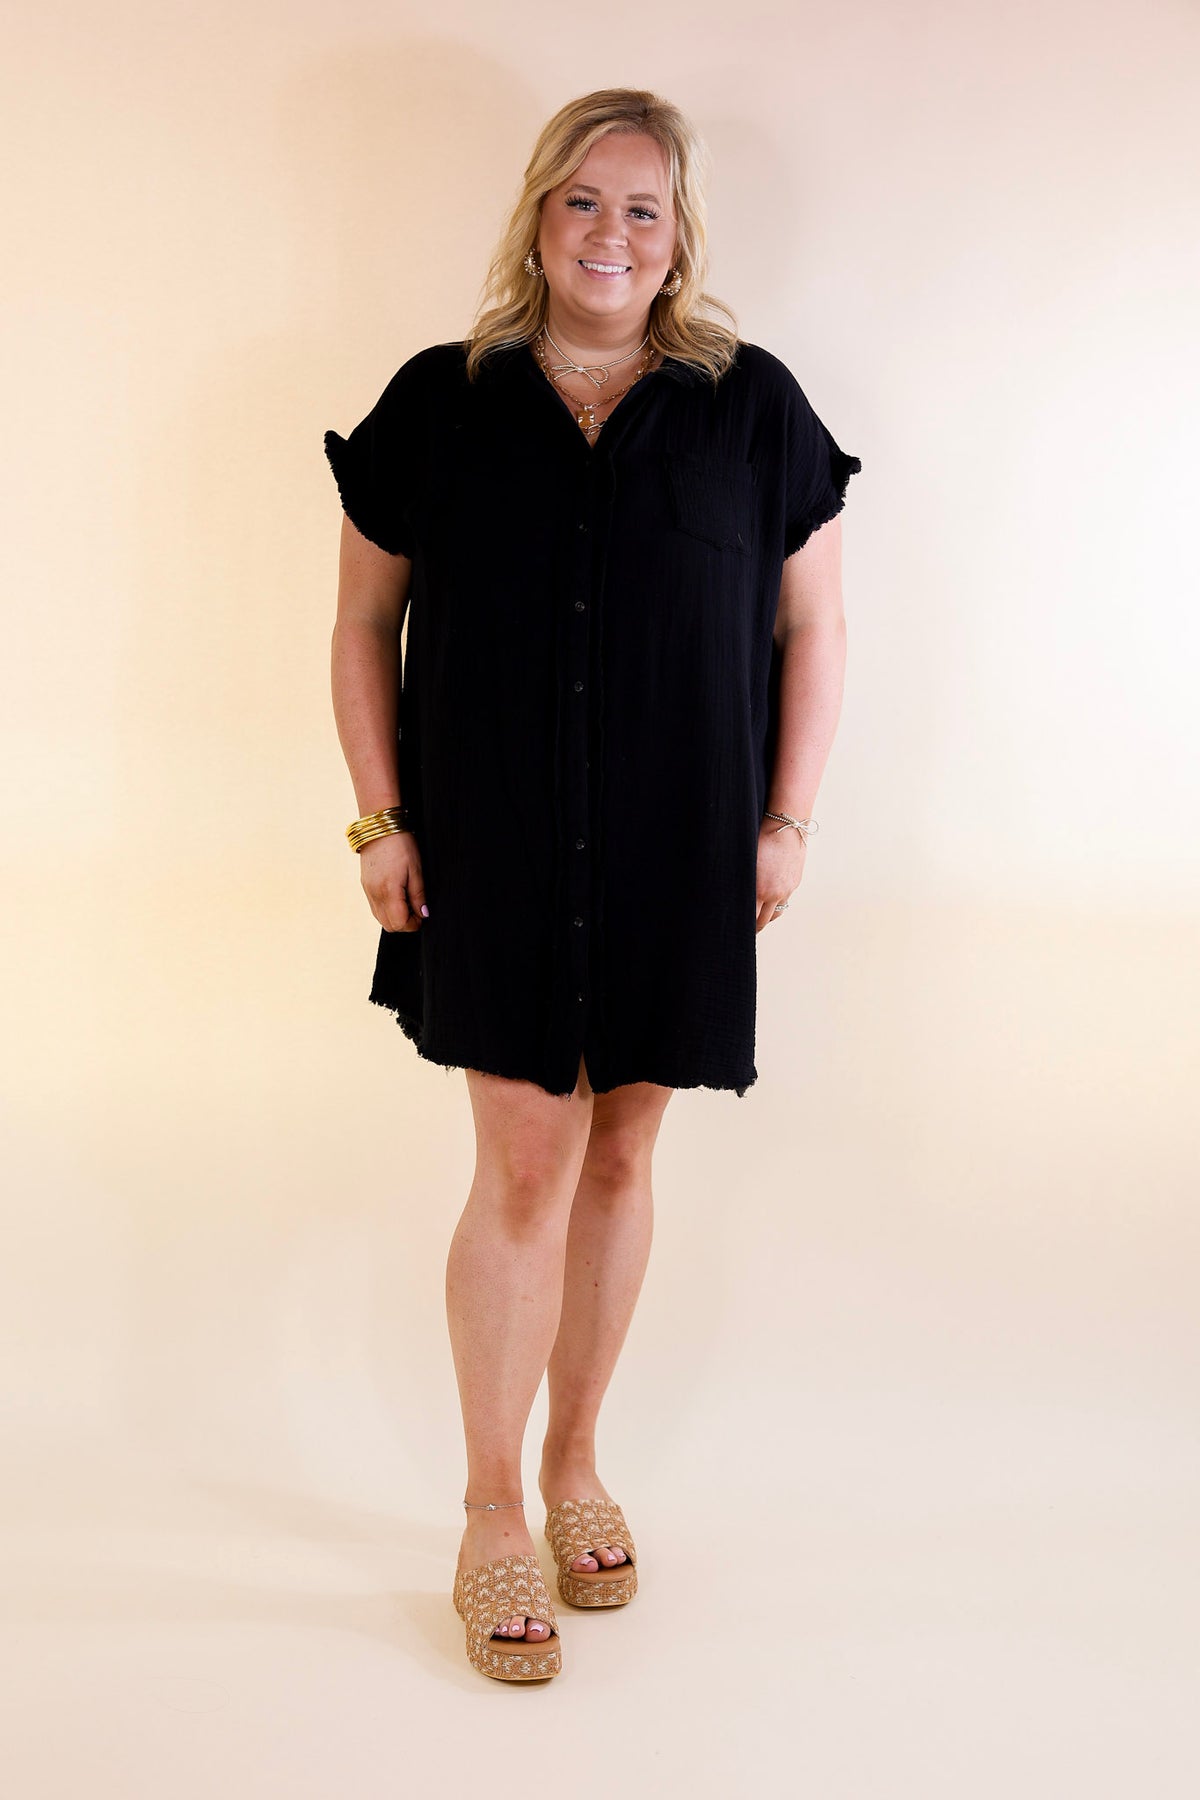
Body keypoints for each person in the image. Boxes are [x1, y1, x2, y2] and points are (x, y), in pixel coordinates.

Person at [325, 87, 861, 1683]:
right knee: (523, 1165)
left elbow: (815, 627)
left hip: (680, 847)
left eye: (641, 207)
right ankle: (491, 1507)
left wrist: (787, 820)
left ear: (678, 236)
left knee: (622, 1156)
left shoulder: (751, 408)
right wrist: (379, 822)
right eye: (580, 200)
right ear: (537, 219)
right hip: (487, 844)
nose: (609, 233)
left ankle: (576, 1468)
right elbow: (361, 625)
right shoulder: (440, 400)